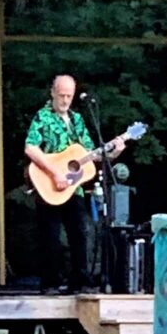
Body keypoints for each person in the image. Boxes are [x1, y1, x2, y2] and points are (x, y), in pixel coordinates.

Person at [25, 74, 125, 294]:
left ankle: (80, 281)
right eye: (61, 95)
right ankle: (50, 282)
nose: (65, 100)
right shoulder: (42, 117)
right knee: (51, 237)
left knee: (80, 233)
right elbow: (31, 148)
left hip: (74, 187)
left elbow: (90, 154)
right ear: (52, 92)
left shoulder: (77, 119)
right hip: (48, 184)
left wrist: (114, 150)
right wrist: (54, 172)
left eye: (69, 96)